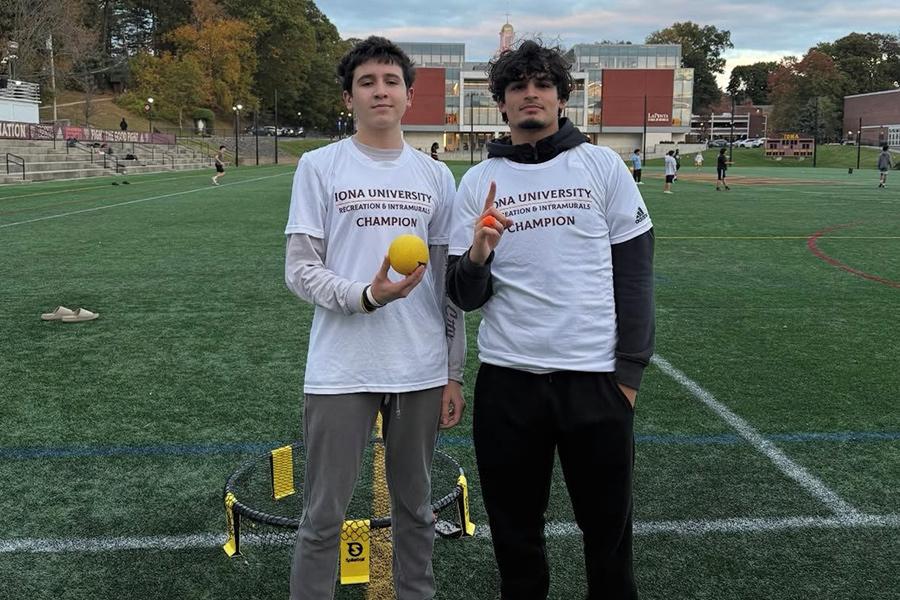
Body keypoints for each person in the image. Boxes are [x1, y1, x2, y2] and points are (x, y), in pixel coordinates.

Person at [447, 39, 653, 600]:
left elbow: (636, 275)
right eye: (518, 86)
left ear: (563, 98)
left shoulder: (602, 165)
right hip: (508, 384)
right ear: (502, 103)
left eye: (543, 84)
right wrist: (478, 254)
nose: (530, 94)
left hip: (595, 382)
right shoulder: (478, 182)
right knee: (515, 538)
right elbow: (463, 295)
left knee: (608, 538)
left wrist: (628, 375)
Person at [284, 36, 465, 600]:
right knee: (322, 517)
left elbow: (448, 287)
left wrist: (453, 372)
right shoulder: (319, 166)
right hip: (341, 368)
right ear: (349, 97)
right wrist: (366, 295)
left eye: (391, 82)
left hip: (419, 368)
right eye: (367, 82)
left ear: (409, 96)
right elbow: (300, 270)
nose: (380, 91)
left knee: (416, 512)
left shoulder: (436, 177)